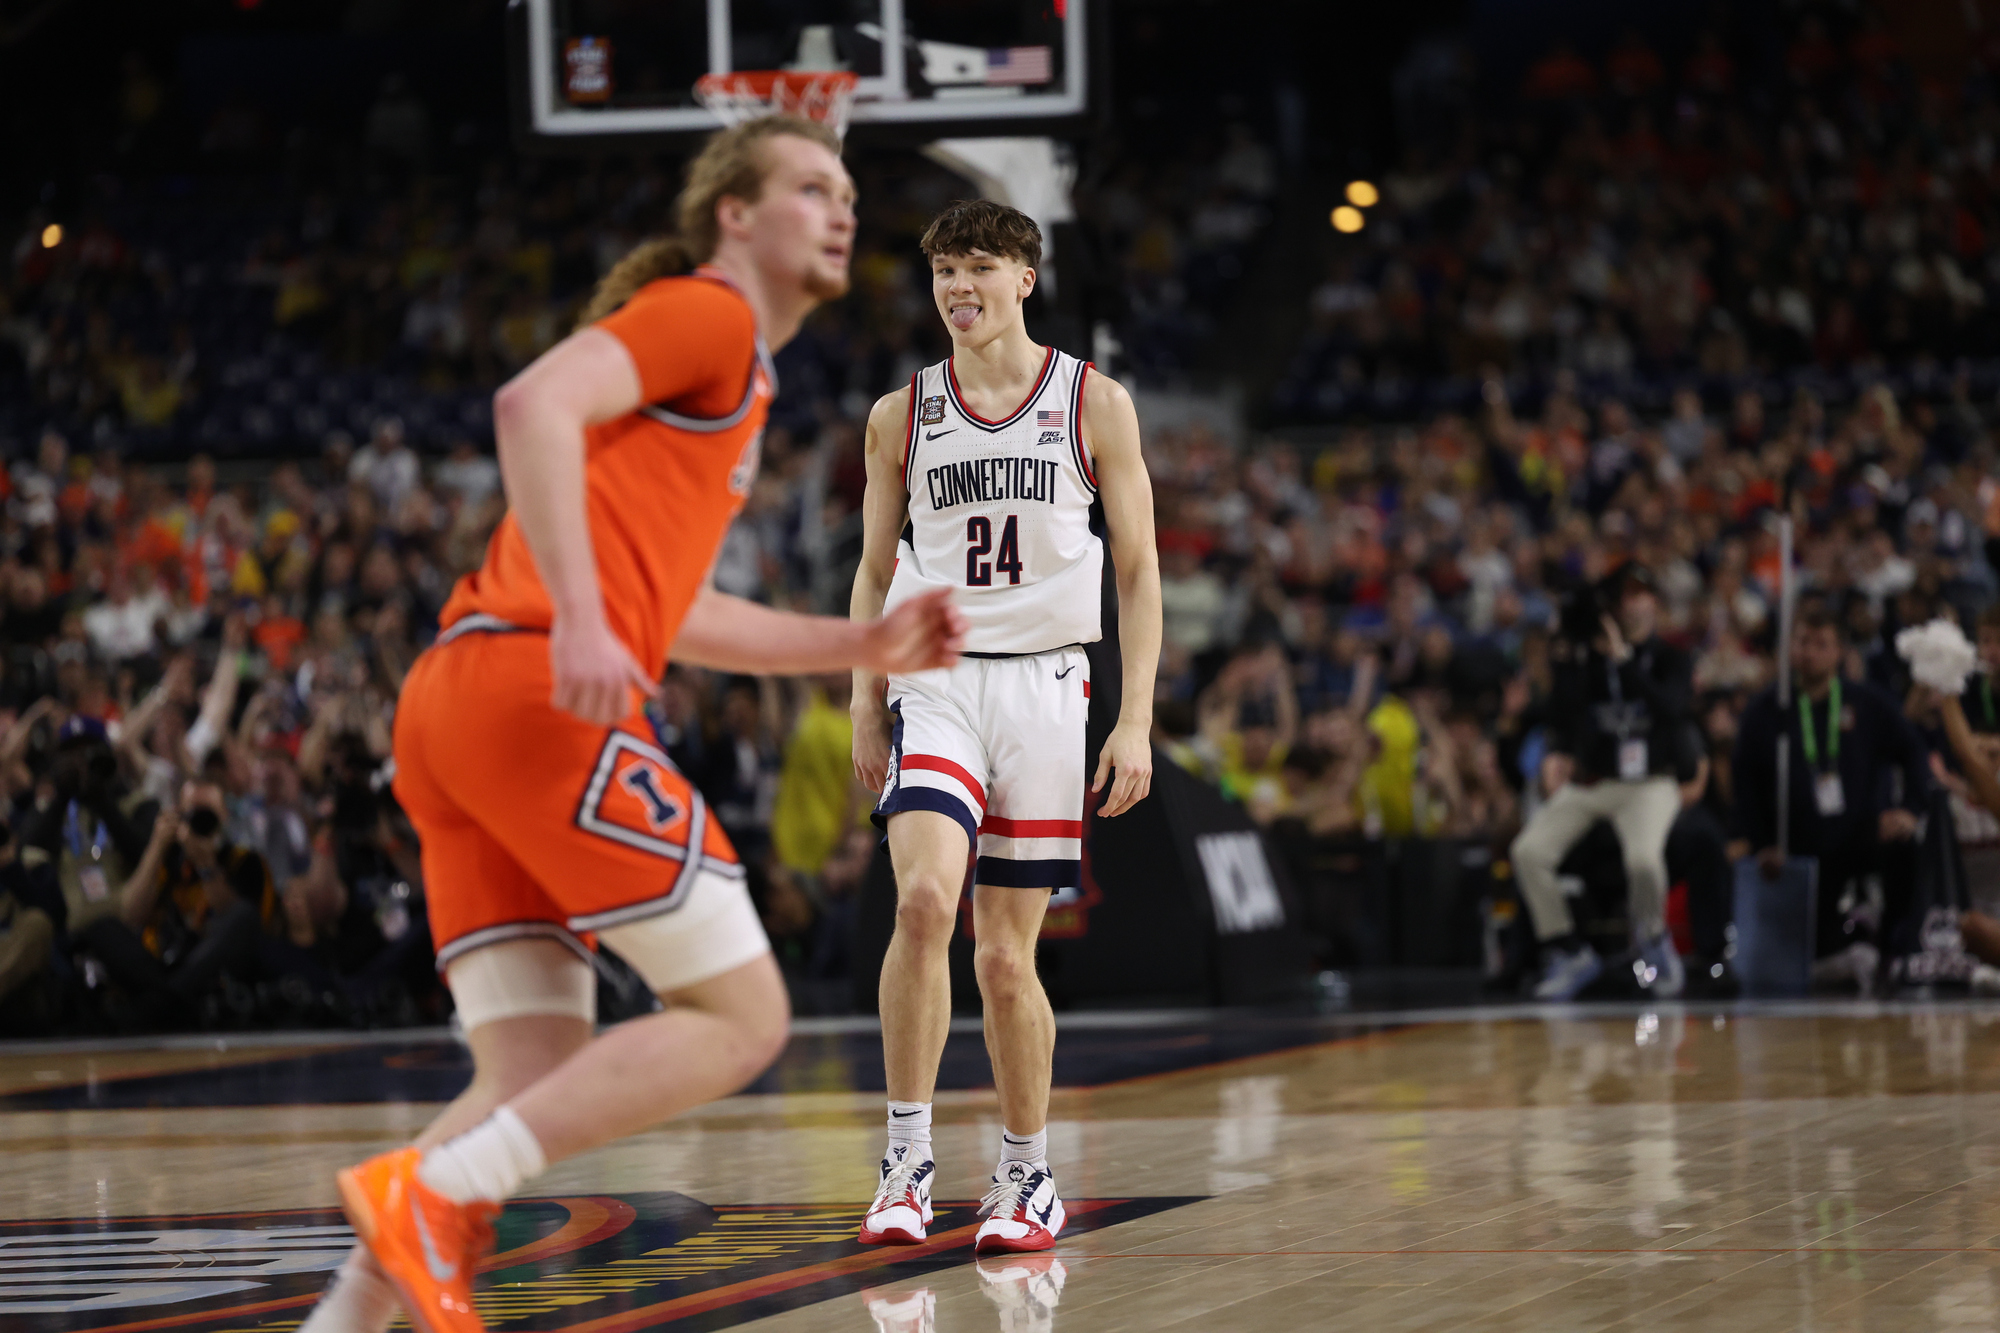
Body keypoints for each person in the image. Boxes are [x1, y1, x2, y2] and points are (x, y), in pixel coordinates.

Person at [305, 116, 965, 1333]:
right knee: (744, 1017)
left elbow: (679, 611)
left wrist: (860, 645)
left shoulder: (731, 380)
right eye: (810, 186)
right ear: (732, 215)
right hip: (532, 694)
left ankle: (343, 1318)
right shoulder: (710, 313)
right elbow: (529, 404)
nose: (840, 210)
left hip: (454, 704)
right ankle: (434, 1193)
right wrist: (575, 615)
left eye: (846, 193)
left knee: (531, 1071)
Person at [849, 199, 1162, 1254]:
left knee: (1002, 957)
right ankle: (905, 1160)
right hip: (935, 679)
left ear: (1025, 277)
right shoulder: (900, 413)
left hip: (1047, 685)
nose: (957, 286)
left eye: (978, 265)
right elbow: (872, 568)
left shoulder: (1093, 402)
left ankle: (1027, 1173)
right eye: (943, 268)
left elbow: (1138, 570)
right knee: (923, 901)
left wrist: (1134, 718)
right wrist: (863, 697)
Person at [1510, 563, 1693, 1000]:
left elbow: (1672, 709)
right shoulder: (1588, 660)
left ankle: (1654, 943)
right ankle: (1568, 949)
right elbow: (1563, 715)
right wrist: (1567, 656)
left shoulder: (1671, 657)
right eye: (1624, 596)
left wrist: (1624, 661)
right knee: (1529, 851)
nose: (1632, 603)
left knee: (1643, 862)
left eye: (1640, 593)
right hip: (1596, 782)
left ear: (1655, 603)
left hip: (1651, 783)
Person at [1733, 600, 1930, 983]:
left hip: (1858, 833)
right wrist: (1761, 844)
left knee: (1904, 847)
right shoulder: (1767, 710)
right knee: (1815, 954)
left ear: (1839, 652)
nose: (1808, 653)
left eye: (1820, 644)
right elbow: (1746, 783)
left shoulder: (1866, 703)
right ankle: (1845, 941)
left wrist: (1910, 808)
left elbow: (1913, 751)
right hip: (1798, 849)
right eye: (1802, 642)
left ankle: (1896, 946)